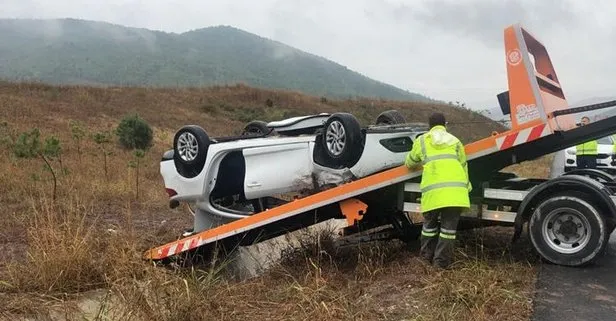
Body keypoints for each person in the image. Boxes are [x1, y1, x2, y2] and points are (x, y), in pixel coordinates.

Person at [405, 112, 471, 269]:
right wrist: (467, 188)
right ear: (445, 125)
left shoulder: (422, 141)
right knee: (448, 231)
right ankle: (440, 264)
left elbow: (409, 163)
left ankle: (425, 258)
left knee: (429, 227)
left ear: (429, 126)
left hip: (433, 194)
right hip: (455, 194)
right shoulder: (455, 141)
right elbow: (464, 166)